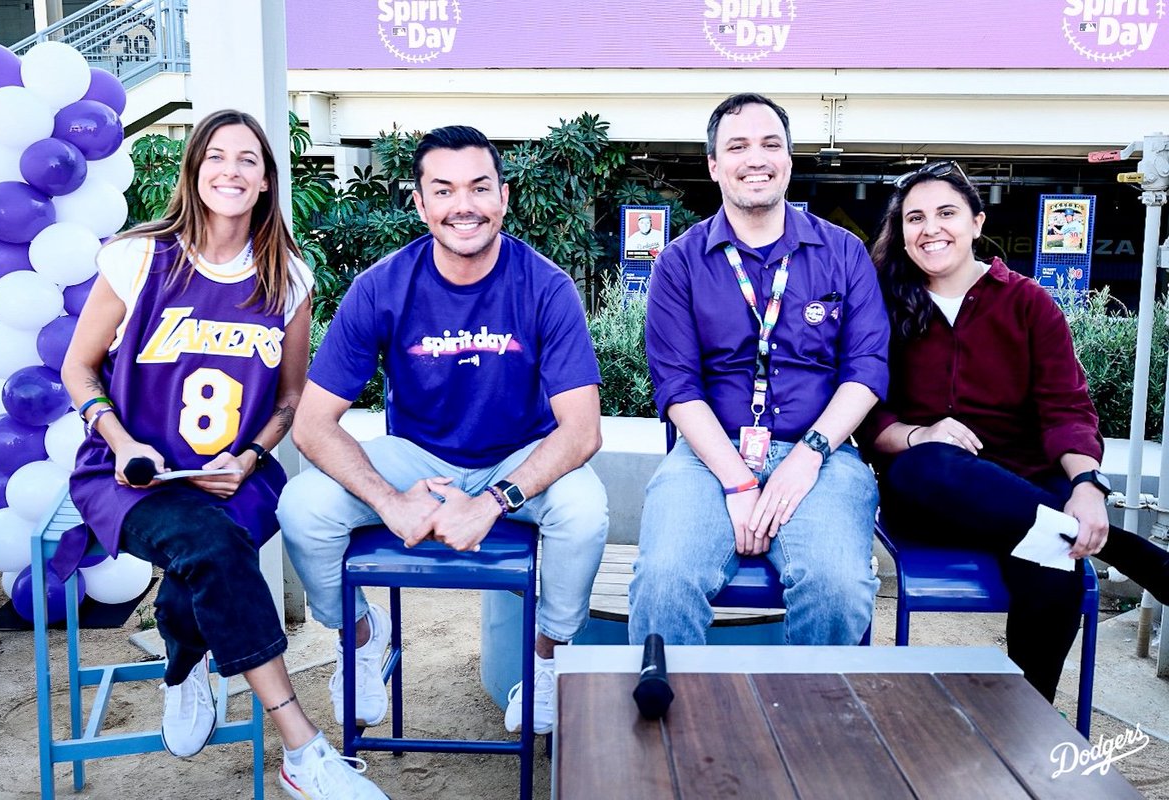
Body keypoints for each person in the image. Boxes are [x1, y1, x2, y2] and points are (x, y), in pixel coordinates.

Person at [62, 109, 387, 800]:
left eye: (247, 160)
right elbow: (79, 370)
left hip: (234, 475)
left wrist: (250, 456)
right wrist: (122, 442)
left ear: (267, 181)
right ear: (195, 171)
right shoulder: (139, 257)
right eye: (216, 156)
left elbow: (291, 399)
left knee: (209, 555)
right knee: (209, 548)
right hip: (133, 478)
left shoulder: (287, 277)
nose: (230, 171)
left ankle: (185, 667)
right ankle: (302, 747)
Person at [276, 125, 608, 737]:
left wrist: (492, 502)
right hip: (417, 461)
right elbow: (314, 424)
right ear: (421, 203)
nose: (465, 205)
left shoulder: (547, 286)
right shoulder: (381, 286)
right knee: (303, 506)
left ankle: (545, 660)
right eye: (445, 190)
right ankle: (362, 635)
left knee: (586, 511)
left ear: (504, 197)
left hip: (518, 460)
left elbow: (582, 432)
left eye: (480, 187)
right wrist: (390, 501)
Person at [863, 160, 1169, 702]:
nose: (930, 227)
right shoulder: (884, 305)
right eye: (915, 218)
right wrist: (919, 434)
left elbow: (1067, 409)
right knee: (928, 465)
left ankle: (1026, 722)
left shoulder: (1028, 302)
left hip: (1026, 483)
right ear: (902, 233)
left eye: (946, 213)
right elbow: (868, 417)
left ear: (977, 223)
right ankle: (1123, 550)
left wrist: (1087, 487)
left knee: (1055, 567)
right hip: (931, 495)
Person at [627, 93, 889, 647]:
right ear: (714, 166)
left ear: (790, 161)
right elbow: (677, 387)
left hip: (823, 454)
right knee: (664, 582)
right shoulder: (679, 262)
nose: (757, 158)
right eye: (738, 146)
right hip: (707, 455)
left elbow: (865, 371)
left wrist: (808, 455)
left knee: (838, 586)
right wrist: (739, 479)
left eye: (772, 144)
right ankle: (671, 729)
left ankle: (805, 729)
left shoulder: (844, 253)